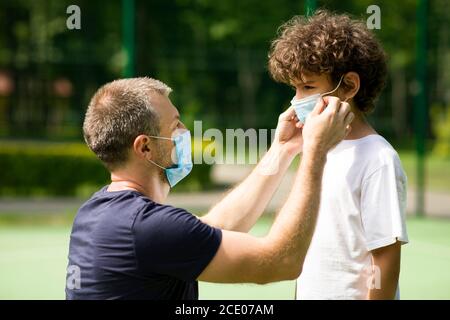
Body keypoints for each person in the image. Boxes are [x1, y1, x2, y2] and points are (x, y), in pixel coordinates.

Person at [65, 77, 353, 299]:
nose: (184, 133)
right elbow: (282, 261)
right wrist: (316, 152)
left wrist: (282, 149)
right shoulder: (147, 227)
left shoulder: (97, 212)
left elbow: (211, 230)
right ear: (145, 146)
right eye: (175, 125)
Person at [268, 10, 409, 300]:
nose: (297, 100)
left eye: (308, 87)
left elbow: (385, 258)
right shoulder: (317, 149)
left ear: (349, 86)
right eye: (294, 88)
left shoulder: (378, 158)